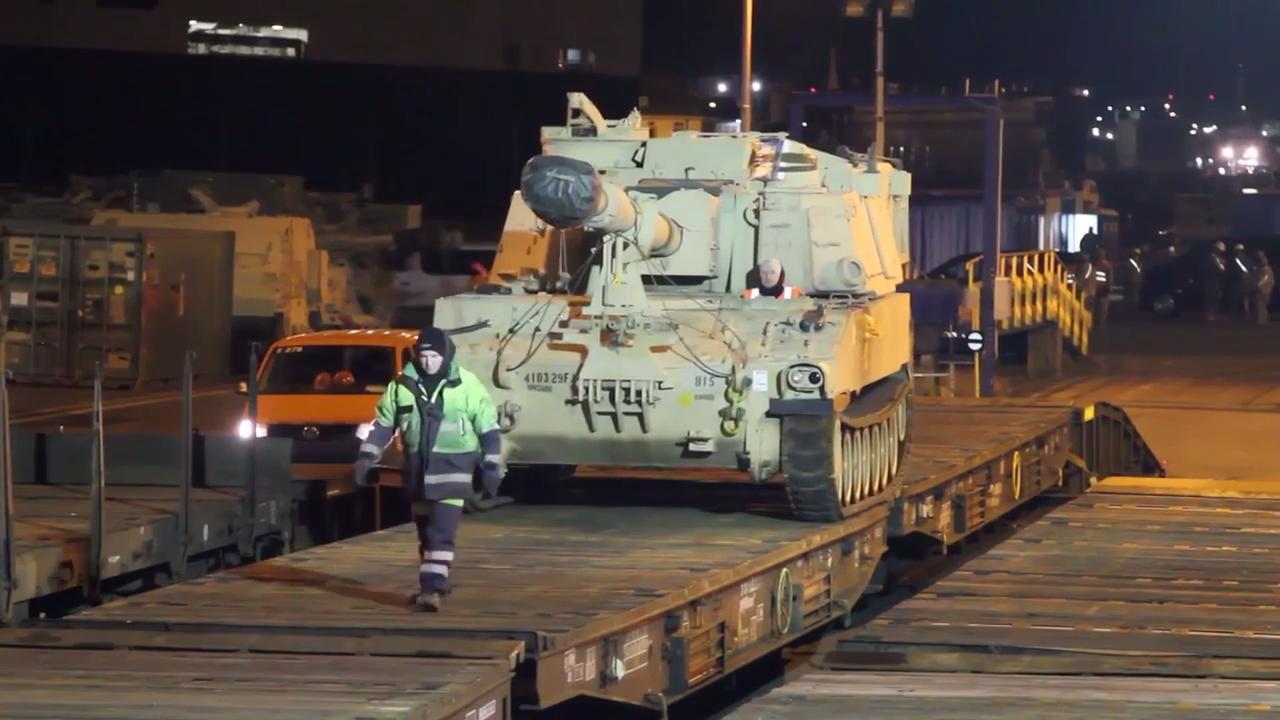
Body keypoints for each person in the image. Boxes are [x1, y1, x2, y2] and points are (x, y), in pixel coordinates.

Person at [353, 327, 503, 612]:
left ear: (446, 355)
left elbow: (488, 428)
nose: (428, 362)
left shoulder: (467, 385)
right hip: (418, 475)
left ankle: (431, 590)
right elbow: (384, 425)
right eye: (423, 356)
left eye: (434, 356)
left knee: (440, 534)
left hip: (454, 472)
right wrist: (366, 457)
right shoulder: (401, 386)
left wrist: (491, 465)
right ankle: (438, 582)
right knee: (425, 535)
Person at [1203, 241, 1226, 321]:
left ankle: (1214, 313)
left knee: (1216, 297)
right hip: (1211, 280)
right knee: (1211, 297)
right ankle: (1210, 314)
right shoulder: (1212, 257)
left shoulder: (1219, 258)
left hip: (1216, 280)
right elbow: (1218, 269)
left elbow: (1222, 270)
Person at [1253, 250, 1274, 324]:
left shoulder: (1267, 268)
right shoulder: (1258, 268)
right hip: (1262, 289)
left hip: (1265, 289)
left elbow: (1267, 278)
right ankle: (1262, 319)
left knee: (1263, 304)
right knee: (1261, 304)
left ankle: (1263, 319)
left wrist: (1259, 284)